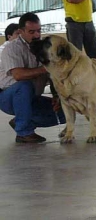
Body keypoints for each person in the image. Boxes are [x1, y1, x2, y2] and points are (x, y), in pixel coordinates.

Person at [0, 13, 65, 143]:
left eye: (38, 31)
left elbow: (53, 77)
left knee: (67, 109)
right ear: (21, 31)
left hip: (32, 97)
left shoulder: (44, 48)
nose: (36, 35)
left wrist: (58, 96)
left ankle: (20, 121)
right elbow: (18, 75)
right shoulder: (11, 48)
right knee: (24, 85)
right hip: (8, 97)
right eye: (31, 31)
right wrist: (47, 67)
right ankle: (23, 132)